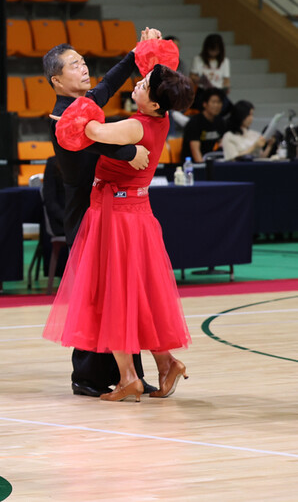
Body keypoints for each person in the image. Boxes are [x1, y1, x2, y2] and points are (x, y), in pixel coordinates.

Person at [45, 63, 195, 401]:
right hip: (133, 214)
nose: (137, 86)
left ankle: (130, 377)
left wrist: (67, 117)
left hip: (117, 217)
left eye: (142, 84)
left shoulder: (133, 126)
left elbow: (92, 133)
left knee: (112, 295)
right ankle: (163, 362)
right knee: (134, 297)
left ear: (154, 103)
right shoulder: (159, 119)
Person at [43, 37, 154, 398]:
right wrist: (128, 151)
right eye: (73, 65)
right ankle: (88, 375)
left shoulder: (85, 102)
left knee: (120, 291)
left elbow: (108, 83)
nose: (84, 67)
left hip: (107, 207)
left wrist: (135, 55)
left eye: (82, 60)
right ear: (57, 81)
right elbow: (95, 143)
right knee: (95, 295)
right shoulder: (62, 114)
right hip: (84, 211)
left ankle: (130, 374)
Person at [181, 87, 226, 162]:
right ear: (205, 104)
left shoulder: (220, 121)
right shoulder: (195, 122)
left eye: (219, 102)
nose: (217, 105)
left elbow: (223, 142)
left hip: (209, 161)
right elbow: (195, 151)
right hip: (192, 164)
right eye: (214, 102)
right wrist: (202, 168)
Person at [190, 33, 230, 111]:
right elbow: (191, 77)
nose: (213, 53)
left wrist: (226, 88)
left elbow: (226, 81)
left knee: (226, 106)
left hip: (218, 91)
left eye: (216, 50)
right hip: (203, 91)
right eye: (211, 50)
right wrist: (199, 80)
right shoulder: (198, 59)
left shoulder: (224, 61)